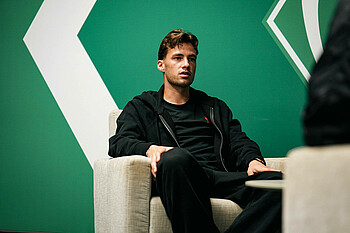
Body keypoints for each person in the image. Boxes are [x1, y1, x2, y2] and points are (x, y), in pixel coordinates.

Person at [109, 29, 282, 233]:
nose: (186, 64)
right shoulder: (142, 106)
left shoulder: (214, 107)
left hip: (217, 176)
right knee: (174, 157)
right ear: (161, 65)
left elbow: (239, 141)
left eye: (191, 59)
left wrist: (254, 160)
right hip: (182, 177)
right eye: (177, 58)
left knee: (279, 184)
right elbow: (118, 142)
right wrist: (150, 149)